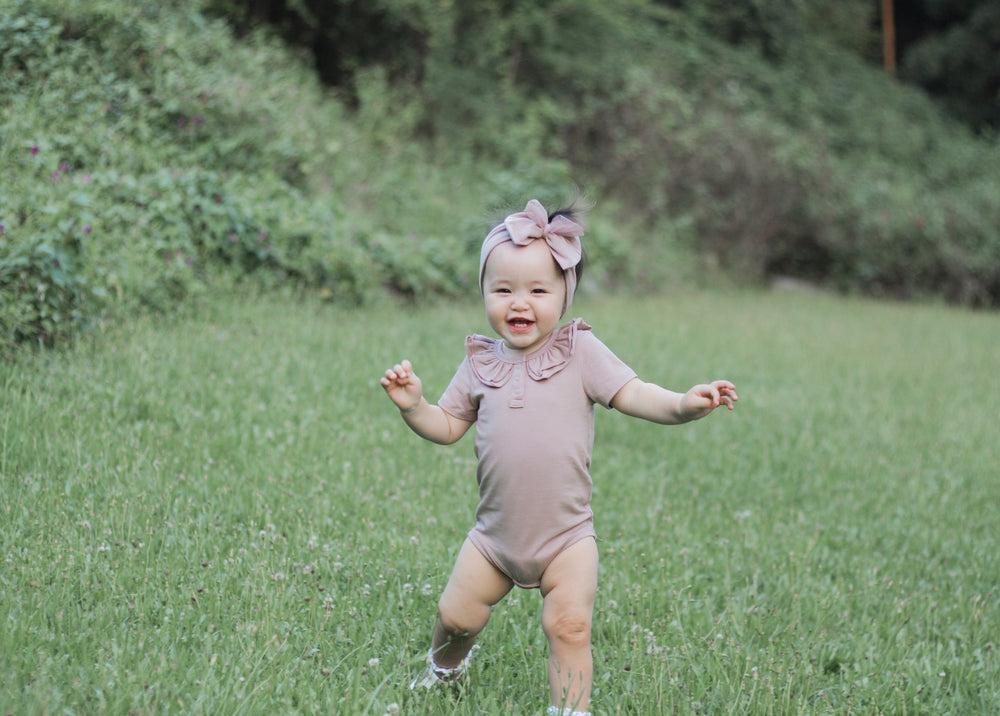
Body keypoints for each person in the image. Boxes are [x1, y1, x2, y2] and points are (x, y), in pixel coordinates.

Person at [380, 199, 738, 716]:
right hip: (494, 537)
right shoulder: (480, 363)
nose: (518, 303)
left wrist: (684, 404)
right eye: (502, 289)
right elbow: (448, 426)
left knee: (568, 625)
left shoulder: (581, 352)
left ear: (564, 296)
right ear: (483, 293)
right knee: (457, 618)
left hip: (568, 538)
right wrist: (415, 406)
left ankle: (570, 711)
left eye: (537, 291)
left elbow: (636, 394)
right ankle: (444, 672)